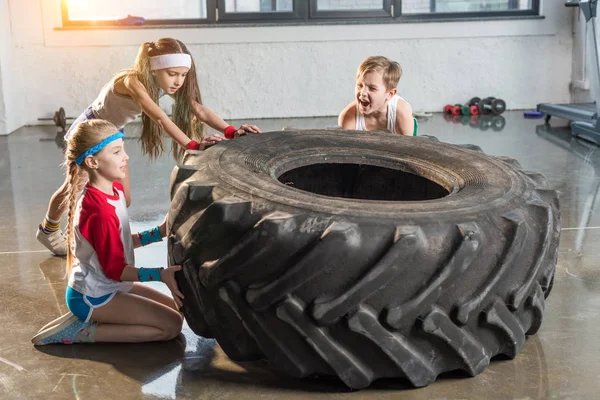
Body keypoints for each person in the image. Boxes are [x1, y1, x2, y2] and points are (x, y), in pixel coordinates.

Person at [37, 37, 260, 256]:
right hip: (90, 131)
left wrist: (231, 131)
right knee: (74, 186)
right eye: (172, 74)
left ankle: (99, 232)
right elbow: (161, 118)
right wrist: (193, 145)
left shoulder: (164, 83)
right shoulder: (131, 81)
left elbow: (199, 110)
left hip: (113, 133)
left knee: (124, 196)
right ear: (154, 69)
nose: (178, 81)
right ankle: (49, 230)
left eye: (183, 75)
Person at [32, 120, 185, 345]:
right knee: (171, 326)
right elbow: (115, 270)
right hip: (94, 297)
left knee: (179, 309)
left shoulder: (114, 191)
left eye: (123, 149)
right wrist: (160, 275)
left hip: (111, 285)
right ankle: (80, 333)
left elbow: (118, 244)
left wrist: (159, 232)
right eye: (116, 152)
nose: (126, 157)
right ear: (92, 161)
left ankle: (98, 320)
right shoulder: (98, 211)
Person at [338, 55, 416, 136]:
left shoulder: (402, 114)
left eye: (372, 88)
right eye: (360, 85)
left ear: (390, 94)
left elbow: (408, 146)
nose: (363, 93)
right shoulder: (348, 117)